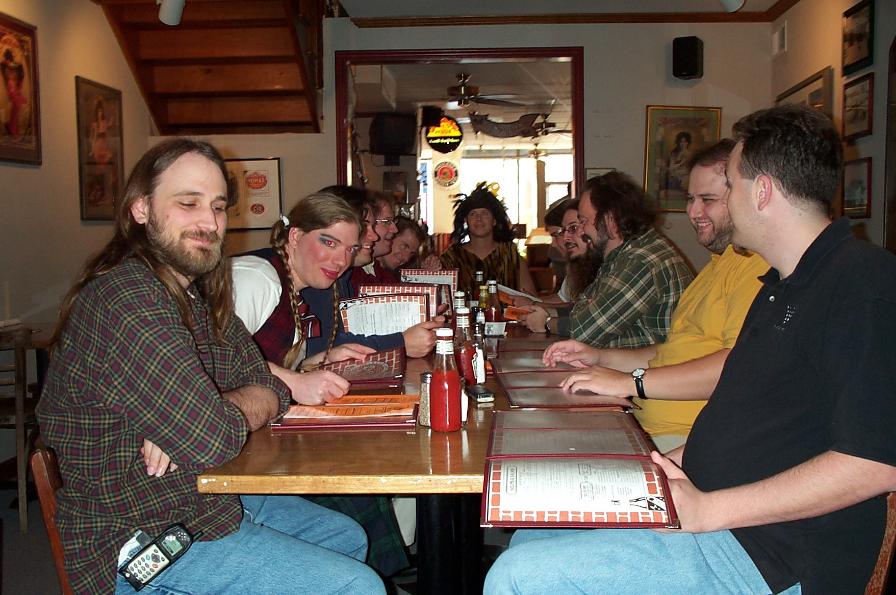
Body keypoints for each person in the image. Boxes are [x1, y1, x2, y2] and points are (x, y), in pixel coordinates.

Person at [485, 105, 896, 594]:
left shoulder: (863, 285)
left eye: (730, 186)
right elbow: (751, 424)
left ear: (761, 192)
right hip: (719, 510)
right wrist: (645, 470)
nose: (718, 204)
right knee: (532, 533)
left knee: (517, 576)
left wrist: (709, 510)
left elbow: (876, 463)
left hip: (773, 551)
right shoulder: (781, 286)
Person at [36, 139, 384, 594]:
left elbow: (262, 379)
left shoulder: (194, 296)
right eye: (188, 203)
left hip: (195, 497)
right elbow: (210, 438)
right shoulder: (128, 298)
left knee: (343, 536)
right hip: (138, 536)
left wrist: (221, 405)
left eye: (218, 207)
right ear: (141, 209)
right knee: (356, 585)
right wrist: (221, 410)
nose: (208, 221)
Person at [543, 139, 769, 450]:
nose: (693, 212)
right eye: (690, 199)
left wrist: (628, 382)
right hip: (645, 421)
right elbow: (668, 351)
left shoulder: (758, 267)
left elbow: (738, 367)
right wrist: (599, 357)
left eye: (707, 199)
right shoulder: (717, 266)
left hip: (686, 438)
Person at [231, 192, 412, 577]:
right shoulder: (257, 277)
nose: (340, 260)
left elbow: (258, 359)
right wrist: (295, 381)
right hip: (225, 454)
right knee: (354, 485)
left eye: (350, 249)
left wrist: (318, 360)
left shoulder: (295, 289)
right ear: (295, 237)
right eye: (328, 242)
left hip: (259, 436)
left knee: (360, 472)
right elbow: (208, 358)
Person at [523, 171, 693, 347]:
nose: (582, 231)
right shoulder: (621, 255)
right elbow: (584, 308)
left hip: (655, 364)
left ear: (610, 219)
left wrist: (546, 322)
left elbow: (586, 331)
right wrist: (545, 311)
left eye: (583, 221)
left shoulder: (641, 261)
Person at [439, 182, 537, 296]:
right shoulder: (452, 257)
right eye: (473, 214)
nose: (479, 218)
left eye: (485, 213)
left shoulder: (510, 254)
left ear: (494, 220)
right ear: (466, 220)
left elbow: (530, 297)